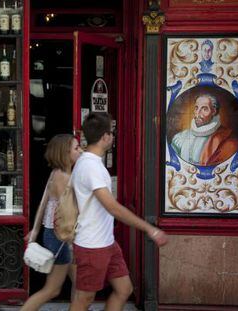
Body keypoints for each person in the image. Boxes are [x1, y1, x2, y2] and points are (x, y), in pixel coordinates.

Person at [69, 112, 168, 311]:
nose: (113, 137)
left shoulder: (90, 162)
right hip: (92, 245)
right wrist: (150, 229)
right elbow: (112, 207)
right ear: (105, 137)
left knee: (124, 289)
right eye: (112, 133)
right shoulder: (90, 166)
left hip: (106, 242)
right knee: (84, 299)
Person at [21, 134, 82, 311]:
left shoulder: (57, 173)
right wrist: (72, 241)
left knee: (80, 286)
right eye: (76, 148)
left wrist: (35, 230)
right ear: (65, 152)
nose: (80, 150)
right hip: (61, 237)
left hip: (57, 235)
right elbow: (69, 211)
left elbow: (43, 202)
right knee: (52, 289)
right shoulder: (63, 176)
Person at [171, 94, 238, 166]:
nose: (198, 113)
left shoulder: (227, 139)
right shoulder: (180, 137)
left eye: (204, 109)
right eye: (196, 108)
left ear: (213, 111)